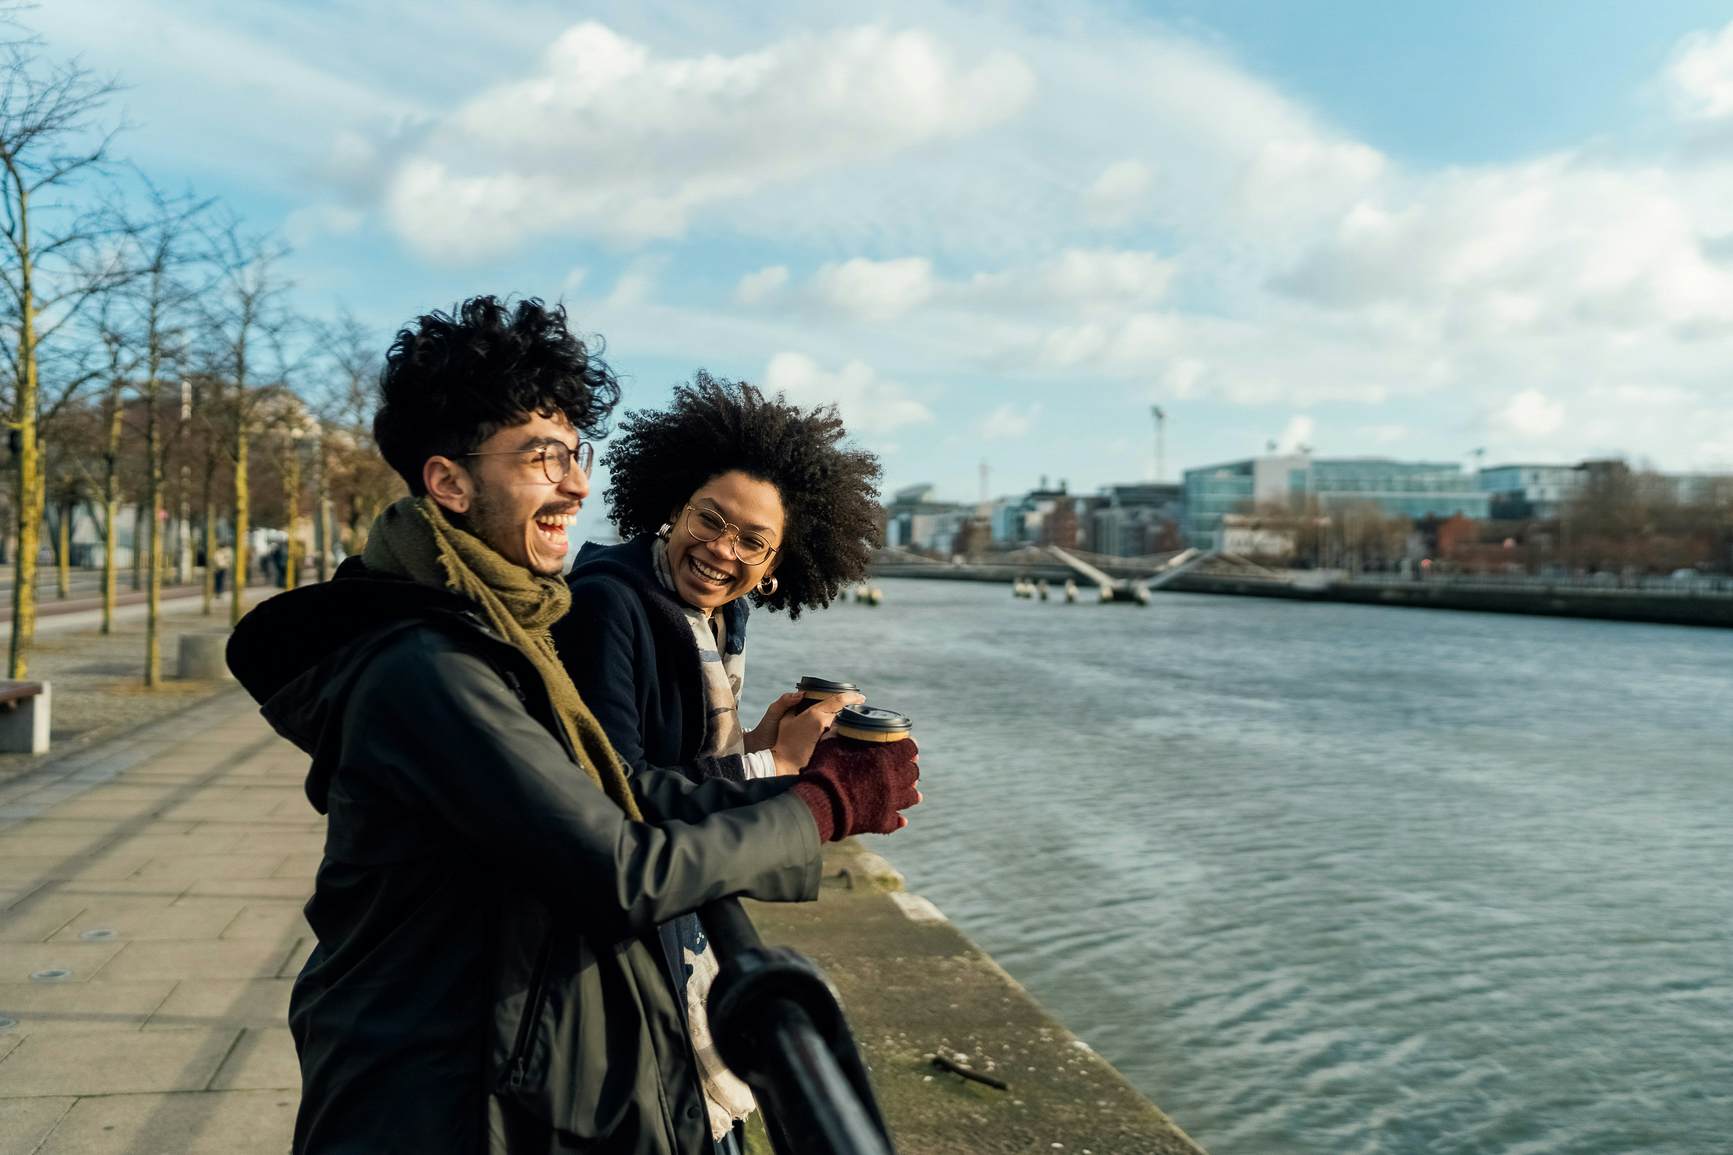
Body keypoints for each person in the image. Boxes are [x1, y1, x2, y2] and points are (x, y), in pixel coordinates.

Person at [224, 296, 921, 1155]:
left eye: (577, 455)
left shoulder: (505, 626)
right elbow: (617, 865)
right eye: (545, 458)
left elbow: (591, 810)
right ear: (448, 481)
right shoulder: (429, 669)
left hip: (494, 1066)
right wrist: (819, 802)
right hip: (436, 1098)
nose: (579, 483)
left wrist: (761, 764)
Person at [554, 374, 889, 1147]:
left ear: (775, 564)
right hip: (621, 935)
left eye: (751, 542)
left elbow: (685, 761)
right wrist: (777, 771)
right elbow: (622, 787)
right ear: (673, 503)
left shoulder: (715, 612)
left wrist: (757, 743)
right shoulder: (610, 603)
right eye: (710, 519)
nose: (721, 549)